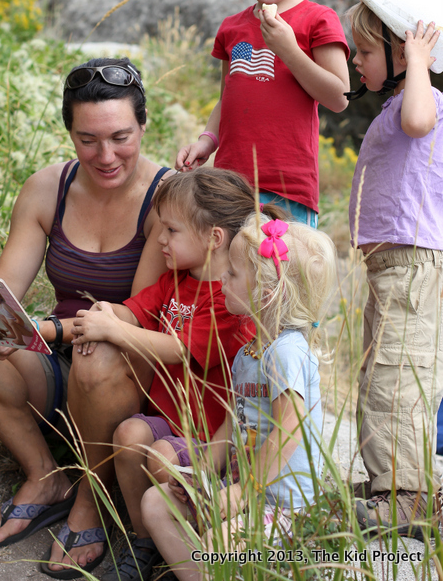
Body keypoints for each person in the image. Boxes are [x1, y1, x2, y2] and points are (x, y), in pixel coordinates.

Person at [0, 58, 172, 579]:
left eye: (121, 136)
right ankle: (44, 473)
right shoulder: (47, 187)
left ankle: (91, 500)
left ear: (144, 125)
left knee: (100, 351)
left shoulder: (165, 197)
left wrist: (45, 331)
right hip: (60, 365)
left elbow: (132, 319)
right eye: (87, 139)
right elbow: (0, 295)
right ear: (69, 133)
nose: (105, 156)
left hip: (132, 376)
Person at [71, 169, 285, 581]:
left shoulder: (229, 300)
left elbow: (180, 350)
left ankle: (186, 543)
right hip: (168, 419)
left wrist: (113, 330)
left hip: (208, 434)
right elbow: (133, 311)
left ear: (213, 238)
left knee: (162, 459)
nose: (160, 240)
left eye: (170, 229)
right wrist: (101, 315)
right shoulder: (175, 283)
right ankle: (145, 539)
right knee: (129, 436)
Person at [140, 214, 337, 581]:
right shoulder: (249, 352)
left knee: (219, 543)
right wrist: (200, 474)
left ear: (267, 292)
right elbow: (233, 423)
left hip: (286, 507)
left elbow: (289, 431)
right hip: (246, 493)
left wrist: (243, 493)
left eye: (232, 273)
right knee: (156, 502)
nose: (222, 279)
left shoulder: (286, 352)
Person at [176, 0, 349, 227]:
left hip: (289, 187)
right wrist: (206, 141)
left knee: (285, 275)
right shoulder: (232, 27)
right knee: (233, 275)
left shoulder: (317, 19)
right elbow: (228, 98)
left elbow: (339, 97)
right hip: (231, 185)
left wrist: (287, 48)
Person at [345, 0, 443, 539]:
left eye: (364, 50)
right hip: (390, 266)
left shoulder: (422, 99)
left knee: (396, 377)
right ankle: (390, 482)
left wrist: (420, 64)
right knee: (379, 372)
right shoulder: (397, 103)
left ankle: (406, 496)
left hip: (409, 263)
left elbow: (417, 118)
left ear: (405, 46)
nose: (357, 61)